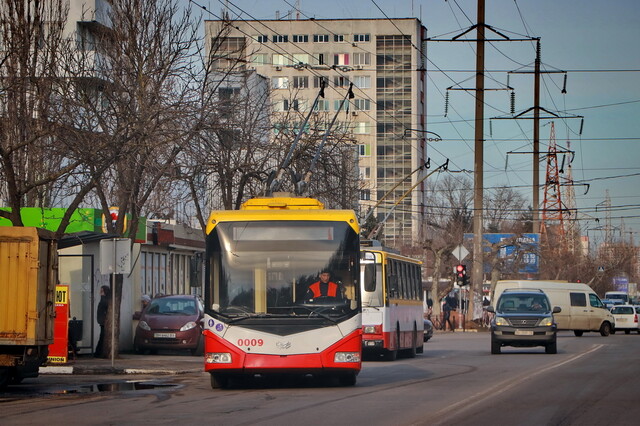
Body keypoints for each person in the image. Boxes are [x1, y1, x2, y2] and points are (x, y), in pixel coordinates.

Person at [95, 285, 111, 358]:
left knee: (102, 337)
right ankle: (98, 352)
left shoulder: (104, 300)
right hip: (102, 321)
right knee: (102, 336)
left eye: (102, 291)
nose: (100, 292)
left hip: (104, 321)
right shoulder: (104, 299)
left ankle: (98, 352)